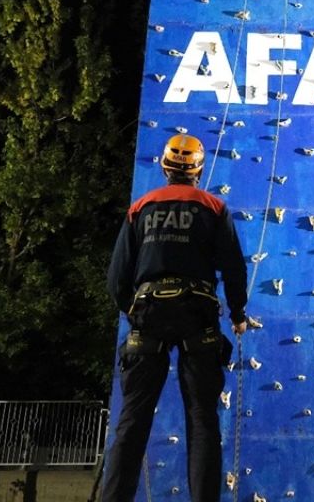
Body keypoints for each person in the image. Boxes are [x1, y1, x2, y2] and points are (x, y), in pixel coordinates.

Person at [100, 133, 249, 502]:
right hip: (197, 312)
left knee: (132, 421)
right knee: (202, 419)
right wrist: (238, 312)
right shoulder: (214, 207)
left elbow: (117, 277)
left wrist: (132, 309)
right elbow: (233, 266)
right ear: (198, 169)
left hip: (148, 312)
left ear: (165, 167)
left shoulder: (141, 208)